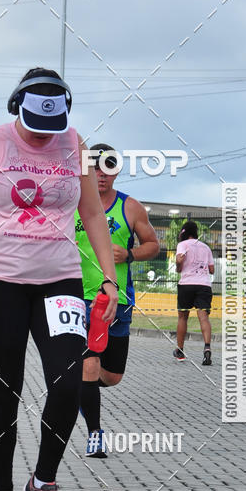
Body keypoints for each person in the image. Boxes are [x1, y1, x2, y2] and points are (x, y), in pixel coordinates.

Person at [0, 67, 118, 491]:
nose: (44, 138)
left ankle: (44, 481)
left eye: (52, 127)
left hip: (58, 280)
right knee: (5, 389)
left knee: (68, 384)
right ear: (15, 107)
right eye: (34, 126)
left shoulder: (74, 145)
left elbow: (91, 213)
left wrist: (107, 276)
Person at [75, 144, 160, 458]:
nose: (100, 174)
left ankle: (79, 390)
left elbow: (153, 244)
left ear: (115, 170)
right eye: (94, 167)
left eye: (107, 167)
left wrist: (131, 254)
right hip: (79, 297)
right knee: (89, 363)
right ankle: (95, 434)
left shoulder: (130, 207)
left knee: (111, 376)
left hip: (118, 300)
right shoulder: (71, 202)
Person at [173, 221, 215, 364]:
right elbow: (212, 270)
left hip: (186, 284)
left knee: (183, 318)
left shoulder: (182, 245)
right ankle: (207, 349)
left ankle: (180, 350)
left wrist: (179, 264)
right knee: (204, 318)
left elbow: (179, 265)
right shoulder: (206, 247)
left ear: (184, 232)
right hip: (204, 285)